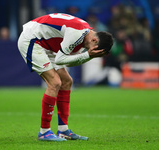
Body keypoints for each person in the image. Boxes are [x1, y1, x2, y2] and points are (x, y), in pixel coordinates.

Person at [17, 13, 113, 141]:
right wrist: (88, 56)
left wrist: (87, 55)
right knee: (55, 82)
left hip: (46, 44)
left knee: (66, 81)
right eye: (96, 50)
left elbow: (68, 61)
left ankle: (63, 130)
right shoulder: (77, 34)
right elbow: (60, 60)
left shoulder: (84, 35)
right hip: (32, 40)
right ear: (95, 40)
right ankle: (44, 131)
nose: (94, 52)